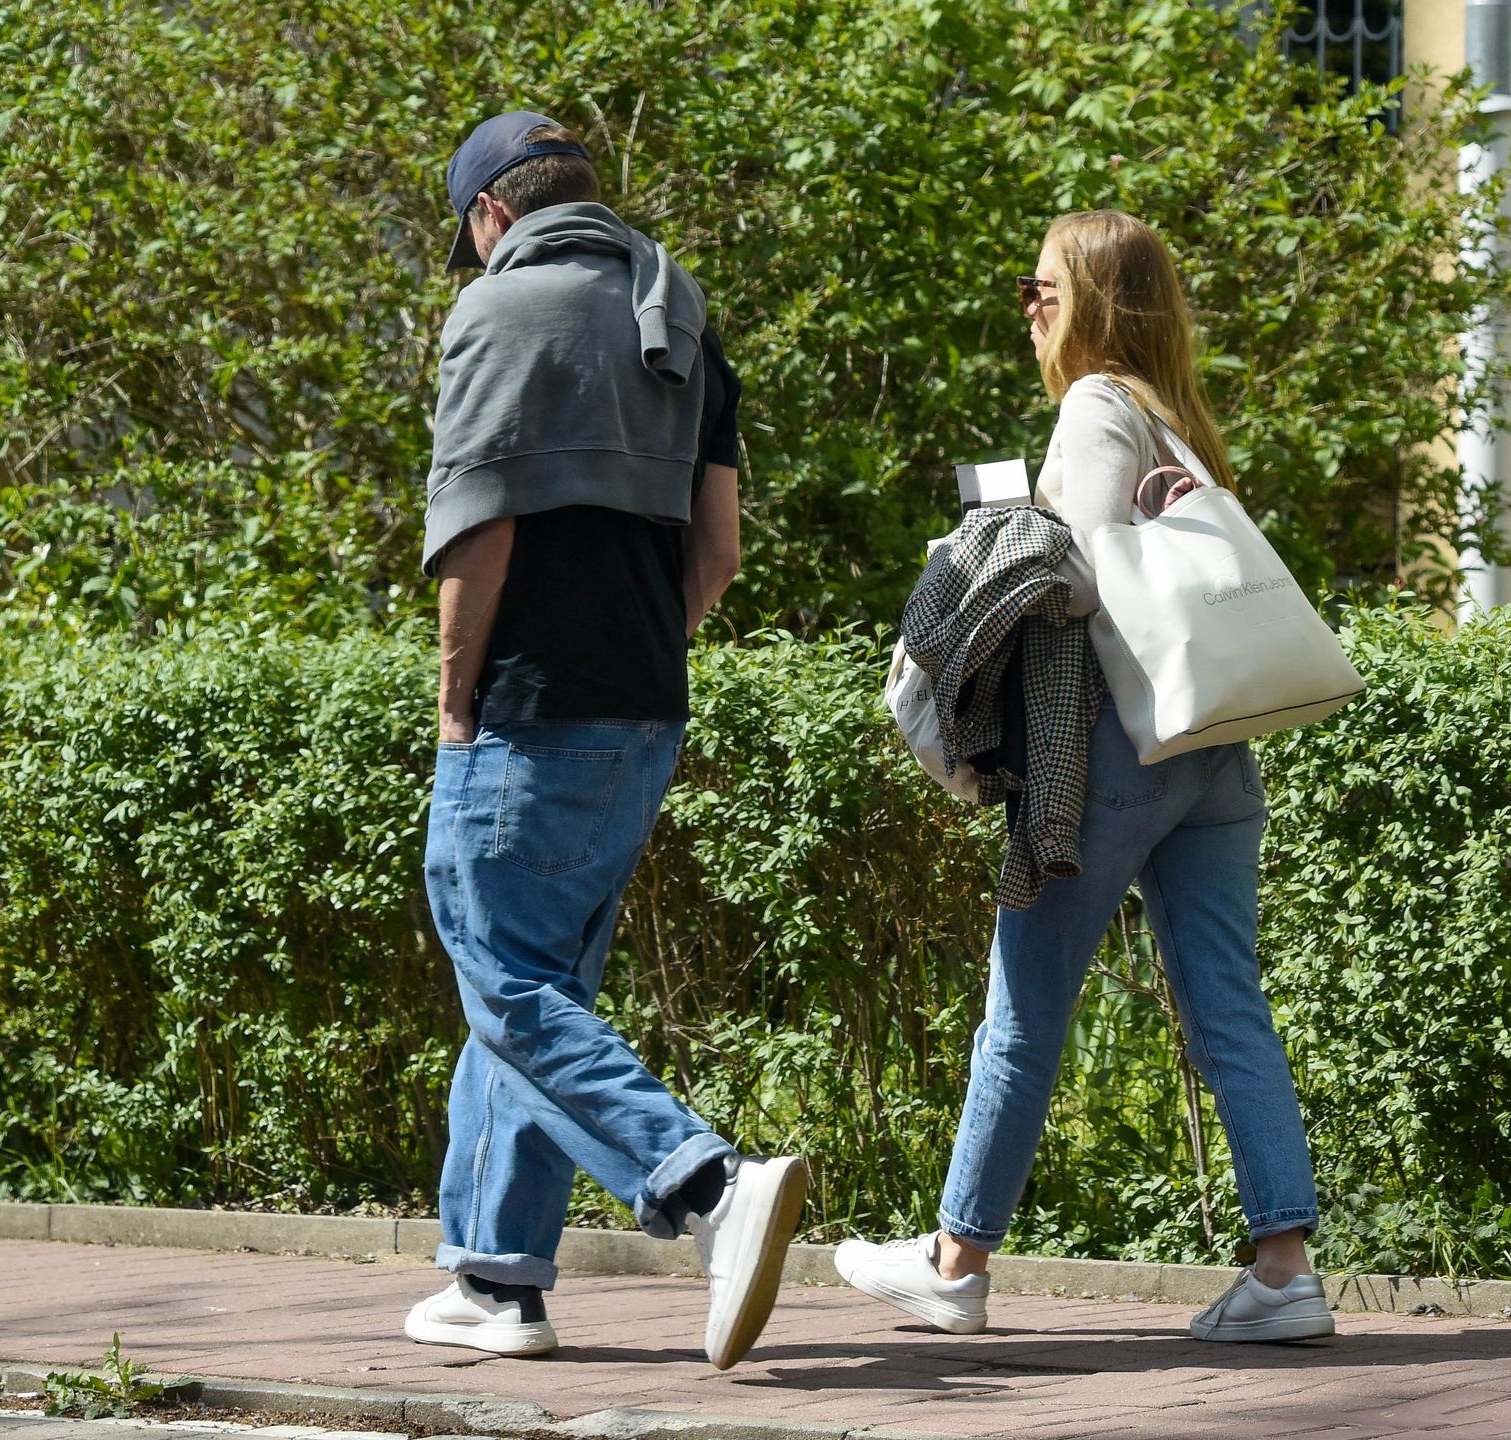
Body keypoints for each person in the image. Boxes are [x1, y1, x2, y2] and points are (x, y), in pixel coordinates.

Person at [835, 210, 1332, 1343]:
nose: (1029, 307)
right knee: (1227, 1007)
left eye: (1044, 288)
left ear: (1096, 303)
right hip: (1212, 747)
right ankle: (1283, 1273)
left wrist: (985, 544)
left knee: (1023, 1006)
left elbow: (1083, 576)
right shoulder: (1174, 416)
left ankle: (955, 1263)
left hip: (1116, 749)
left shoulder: (1098, 405)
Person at [406, 110, 804, 1371]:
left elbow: (480, 531)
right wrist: (640, 652)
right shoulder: (675, 308)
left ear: (491, 217)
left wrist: (455, 697)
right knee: (536, 990)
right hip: (646, 704)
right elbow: (718, 552)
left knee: (506, 984)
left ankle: (708, 1188)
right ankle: (496, 1281)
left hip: (528, 711)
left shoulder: (497, 312)